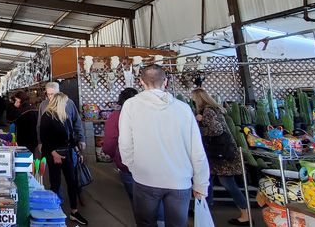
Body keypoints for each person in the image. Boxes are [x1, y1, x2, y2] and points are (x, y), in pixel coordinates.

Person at [119, 65, 209, 227]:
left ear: (141, 82)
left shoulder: (131, 106)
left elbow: (125, 143)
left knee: (146, 223)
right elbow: (196, 149)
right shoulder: (183, 108)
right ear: (165, 82)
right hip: (180, 180)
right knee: (177, 224)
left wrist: (135, 167)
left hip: (145, 178)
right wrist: (201, 183)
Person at [103, 88, 165, 225]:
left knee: (137, 200)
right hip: (153, 163)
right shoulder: (151, 114)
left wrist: (115, 155)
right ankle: (160, 221)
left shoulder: (116, 116)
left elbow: (110, 142)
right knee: (156, 195)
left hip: (128, 165)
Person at [192, 88, 250, 226]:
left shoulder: (208, 111)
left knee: (228, 184)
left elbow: (216, 130)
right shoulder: (216, 109)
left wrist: (197, 126)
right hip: (220, 154)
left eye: (194, 98)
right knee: (207, 182)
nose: (193, 100)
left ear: (199, 98)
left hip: (221, 155)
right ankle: (202, 210)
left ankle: (245, 214)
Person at [39, 92, 88, 225]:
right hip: (53, 155)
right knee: (55, 183)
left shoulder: (64, 117)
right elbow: (44, 138)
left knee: (72, 183)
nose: (67, 104)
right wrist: (53, 153)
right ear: (59, 102)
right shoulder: (47, 117)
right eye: (65, 102)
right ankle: (55, 210)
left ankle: (74, 211)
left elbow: (70, 137)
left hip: (67, 153)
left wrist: (77, 151)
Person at [37, 82, 86, 155]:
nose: (50, 97)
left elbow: (76, 122)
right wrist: (40, 142)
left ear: (59, 93)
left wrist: (81, 139)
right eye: (48, 94)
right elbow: (40, 126)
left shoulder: (69, 103)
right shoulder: (43, 105)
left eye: (53, 94)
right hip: (50, 146)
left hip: (68, 144)